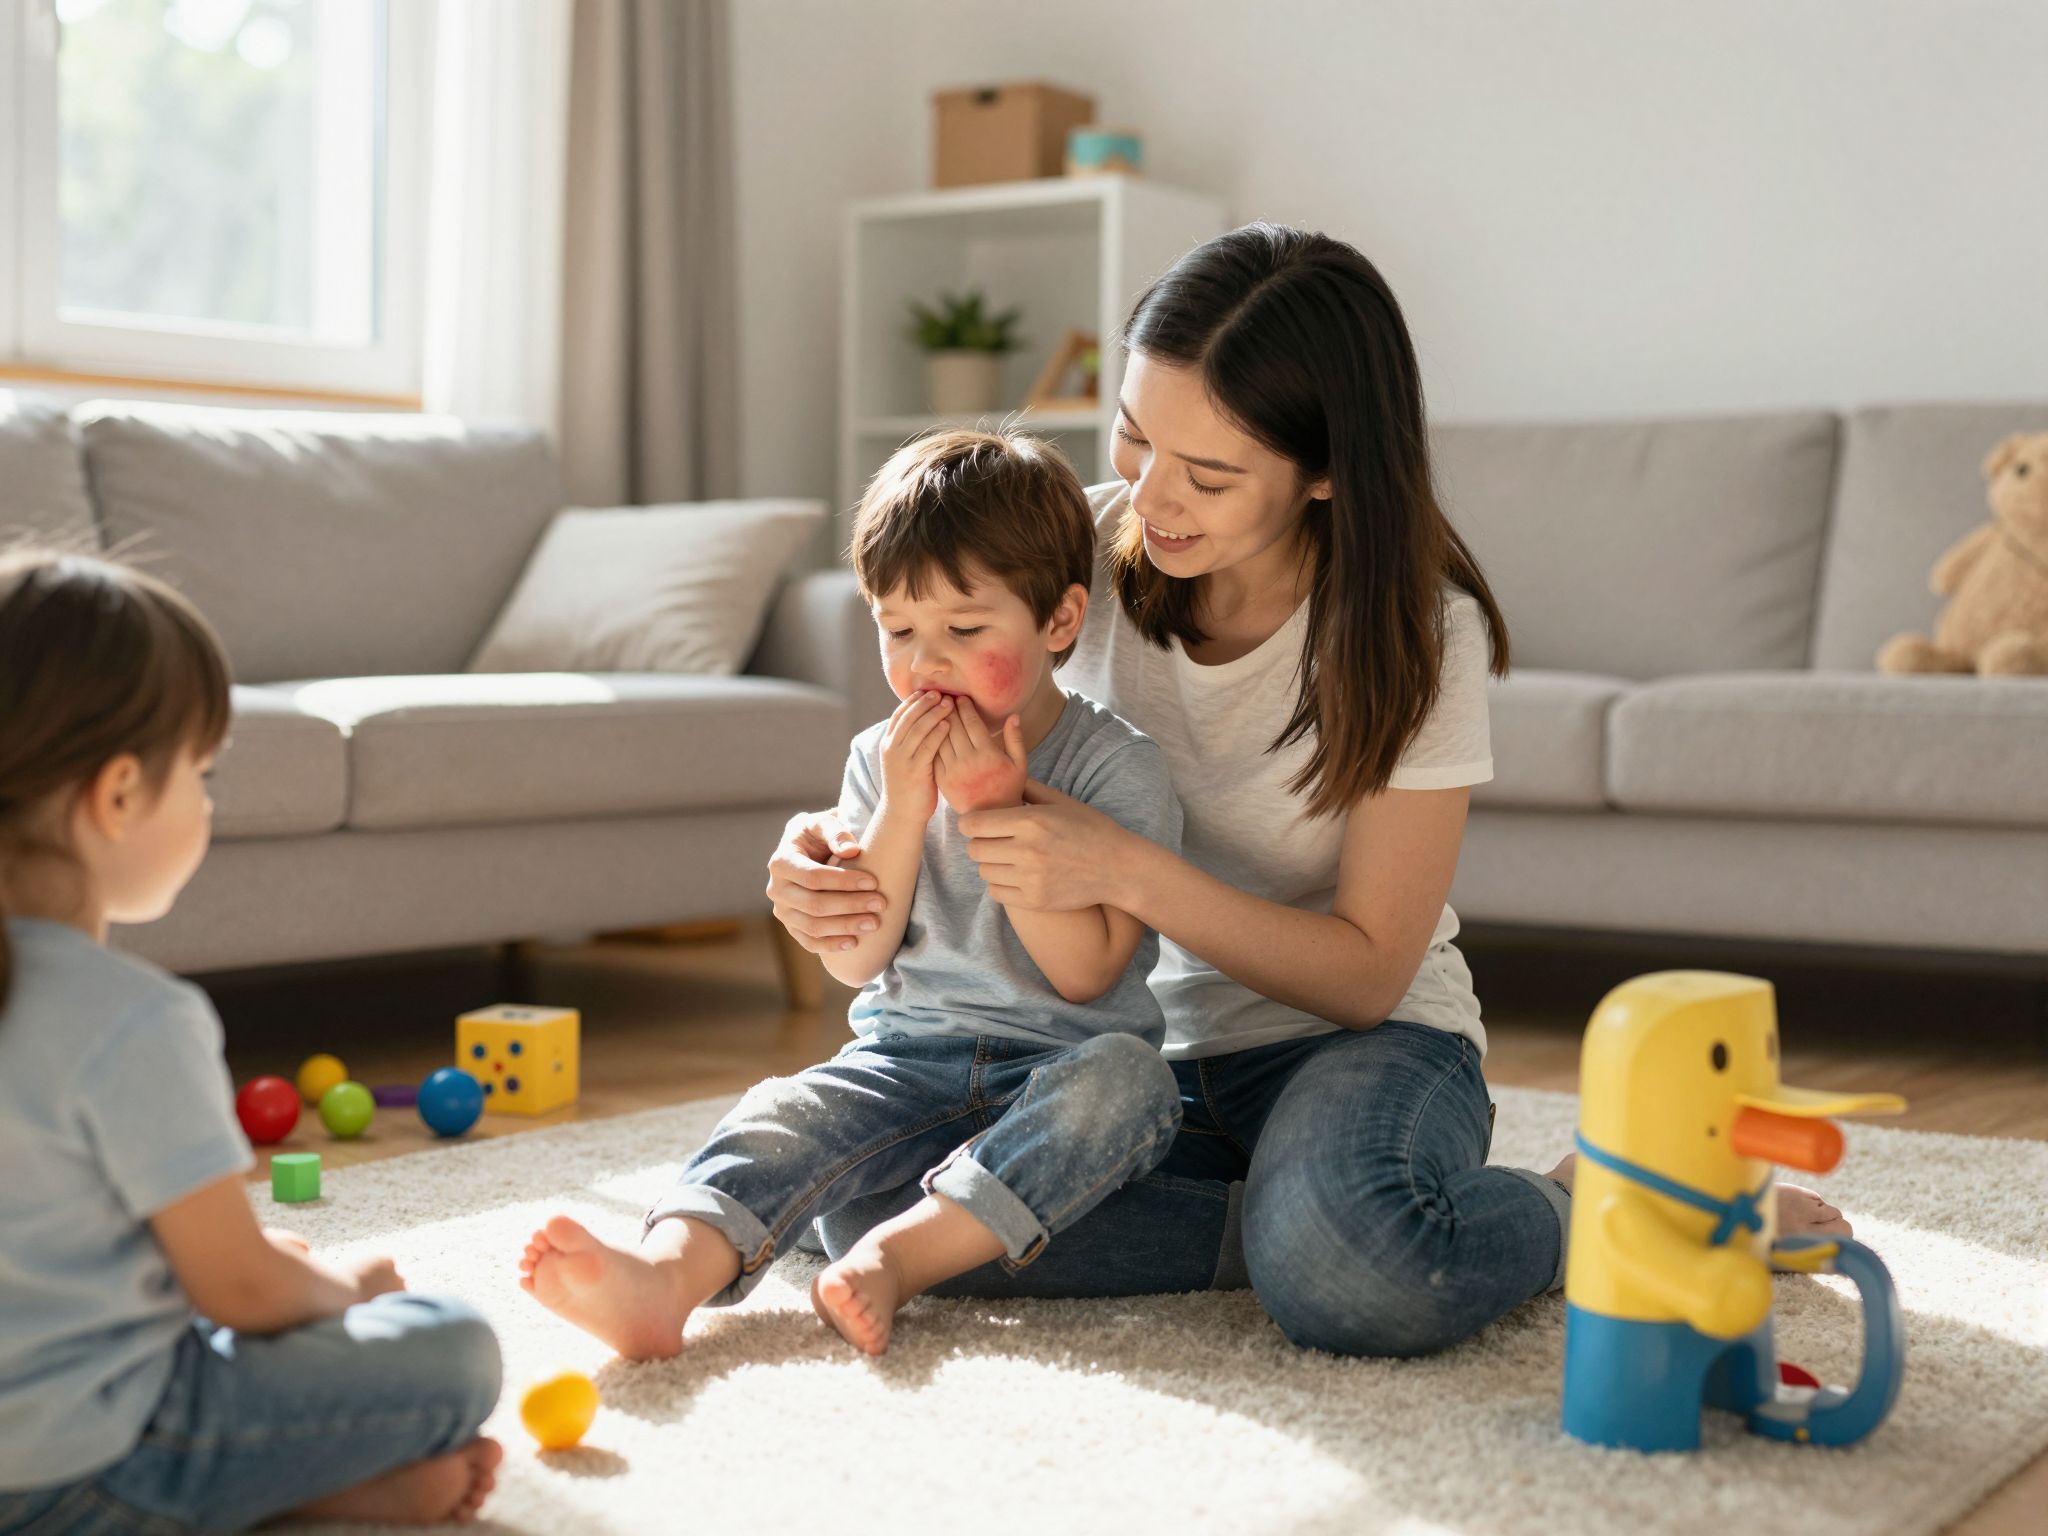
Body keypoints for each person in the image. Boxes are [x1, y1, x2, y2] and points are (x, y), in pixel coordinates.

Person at [770, 224, 1851, 1356]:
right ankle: (1295, 1227)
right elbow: (921, 699)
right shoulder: (1067, 554)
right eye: (1134, 439)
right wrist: (828, 853)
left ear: (1326, 469)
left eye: (1211, 473)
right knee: (865, 1206)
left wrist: (1128, 868)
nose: (1151, 497)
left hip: (1351, 1045)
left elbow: (1367, 974)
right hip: (1132, 1065)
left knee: (1358, 1276)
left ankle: (1613, 1197)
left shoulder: (1414, 633)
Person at [520, 427, 1184, 1358]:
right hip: (906, 1062)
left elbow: (1083, 978)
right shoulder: (878, 760)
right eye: (898, 631)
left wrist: (994, 806)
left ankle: (899, 1257)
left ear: (1060, 623)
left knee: (1135, 1085)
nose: (925, 664)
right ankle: (664, 1276)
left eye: (964, 630)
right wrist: (905, 808)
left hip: (1059, 1069)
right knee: (782, 1109)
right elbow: (855, 958)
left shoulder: (1119, 769)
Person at [0, 549, 504, 1534]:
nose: (207, 801)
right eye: (199, 773)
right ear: (115, 795)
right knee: (452, 1346)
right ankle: (289, 1503)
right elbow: (240, 1291)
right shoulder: (129, 1018)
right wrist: (338, 1286)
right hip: (87, 1466)